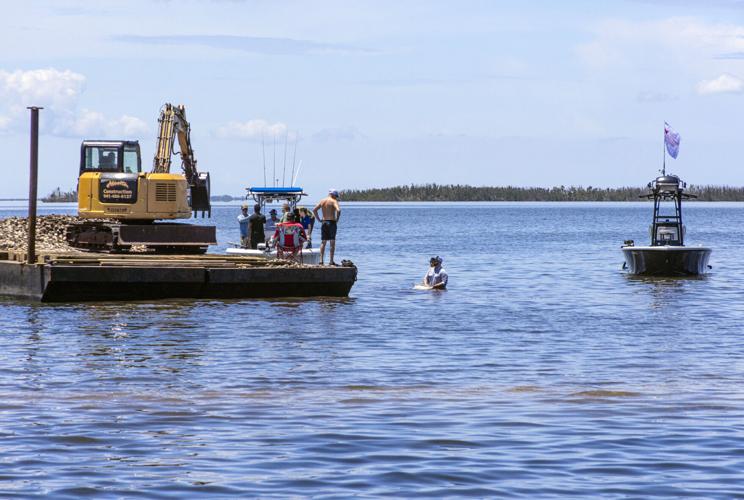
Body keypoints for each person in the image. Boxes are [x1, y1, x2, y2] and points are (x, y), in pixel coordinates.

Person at [313, 189, 341, 266]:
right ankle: (331, 261)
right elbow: (338, 210)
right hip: (332, 222)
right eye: (336, 196)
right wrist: (337, 219)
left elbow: (314, 210)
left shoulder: (322, 201)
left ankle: (321, 261)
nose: (336, 198)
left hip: (324, 222)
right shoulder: (333, 201)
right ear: (333, 195)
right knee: (332, 242)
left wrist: (319, 219)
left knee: (323, 241)